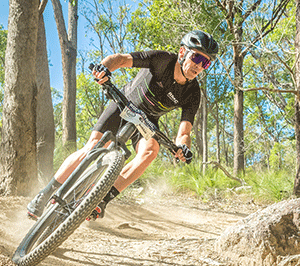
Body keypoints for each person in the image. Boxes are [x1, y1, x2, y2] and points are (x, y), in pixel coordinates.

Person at [27, 29, 219, 221]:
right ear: (182, 52)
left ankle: (101, 200)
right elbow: (119, 59)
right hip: (124, 104)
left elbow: (184, 131)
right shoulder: (162, 60)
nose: (199, 66)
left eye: (206, 63)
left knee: (150, 151)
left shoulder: (193, 93)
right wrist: (103, 68)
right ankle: (46, 193)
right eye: (197, 58)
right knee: (94, 145)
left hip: (147, 122)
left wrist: (183, 147)